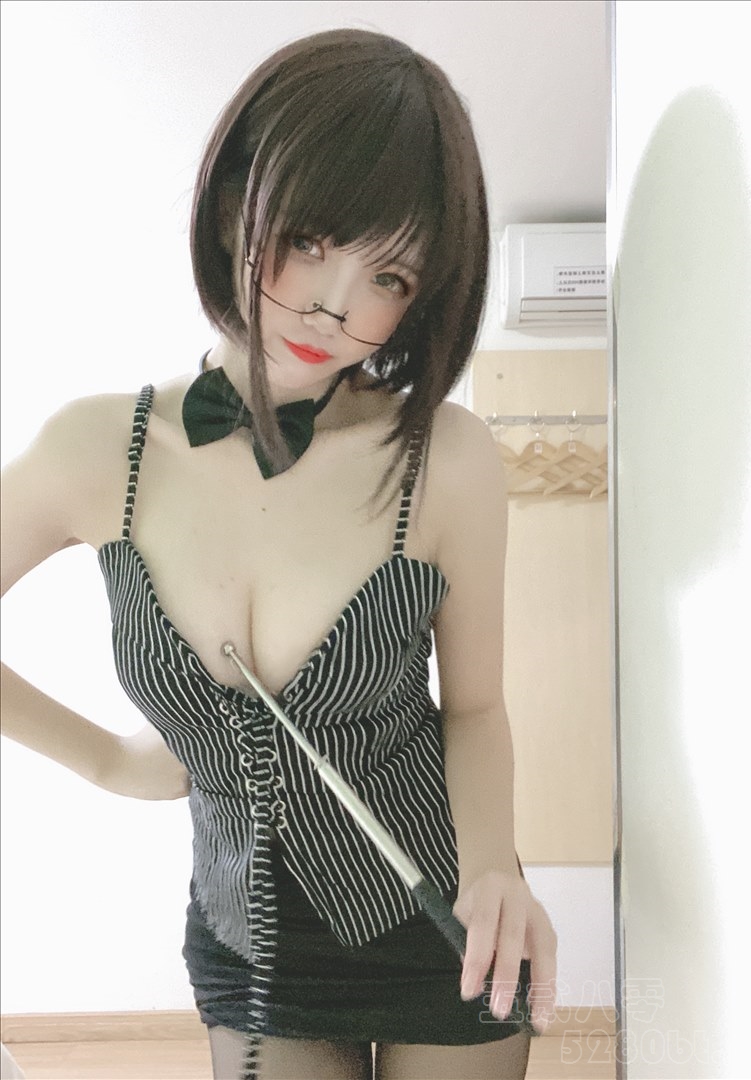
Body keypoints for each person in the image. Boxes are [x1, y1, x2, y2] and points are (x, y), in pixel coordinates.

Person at [0, 28, 557, 1080]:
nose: (335, 305)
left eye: (387, 274)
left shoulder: (444, 459)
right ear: (233, 208)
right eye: (309, 240)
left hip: (447, 919)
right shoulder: (98, 452)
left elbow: (476, 708)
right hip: (247, 942)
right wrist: (107, 760)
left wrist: (494, 869)